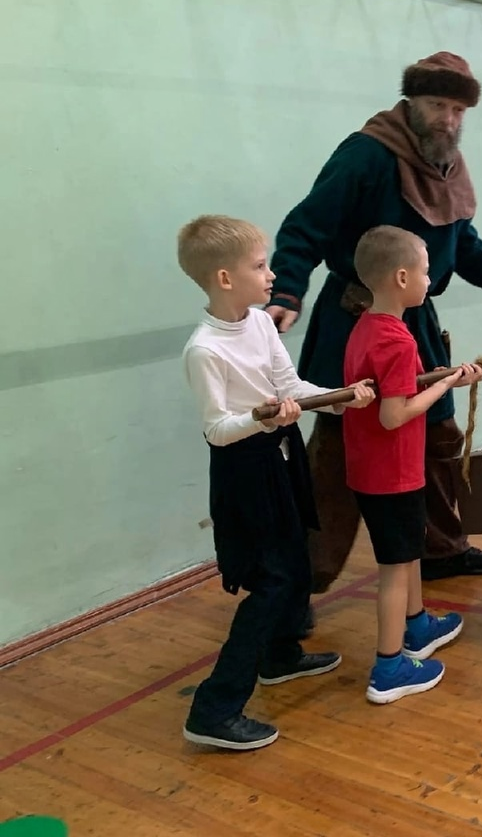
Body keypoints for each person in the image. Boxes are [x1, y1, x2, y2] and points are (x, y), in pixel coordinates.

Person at [265, 52, 482, 591]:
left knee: (436, 437)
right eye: (437, 105)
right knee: (338, 454)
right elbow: (306, 225)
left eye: (458, 110)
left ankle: (442, 550)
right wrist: (287, 289)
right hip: (352, 322)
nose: (448, 120)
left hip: (415, 324)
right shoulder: (366, 154)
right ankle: (297, 585)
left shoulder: (447, 165)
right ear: (411, 102)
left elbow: (462, 244)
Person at [176, 215, 375, 750]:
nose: (272, 276)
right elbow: (217, 430)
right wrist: (262, 419)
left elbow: (291, 386)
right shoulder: (205, 349)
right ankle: (214, 709)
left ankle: (280, 655)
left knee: (296, 555)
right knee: (273, 581)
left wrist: (340, 397)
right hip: (245, 469)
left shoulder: (262, 325)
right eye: (261, 266)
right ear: (224, 278)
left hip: (281, 454)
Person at [343, 226, 482, 704]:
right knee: (395, 567)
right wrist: (444, 386)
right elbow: (394, 414)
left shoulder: (367, 326)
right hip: (392, 474)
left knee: (409, 552)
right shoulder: (398, 340)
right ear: (401, 278)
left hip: (375, 470)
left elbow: (393, 388)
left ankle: (418, 624)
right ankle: (388, 668)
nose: (430, 279)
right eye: (425, 272)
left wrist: (442, 377)